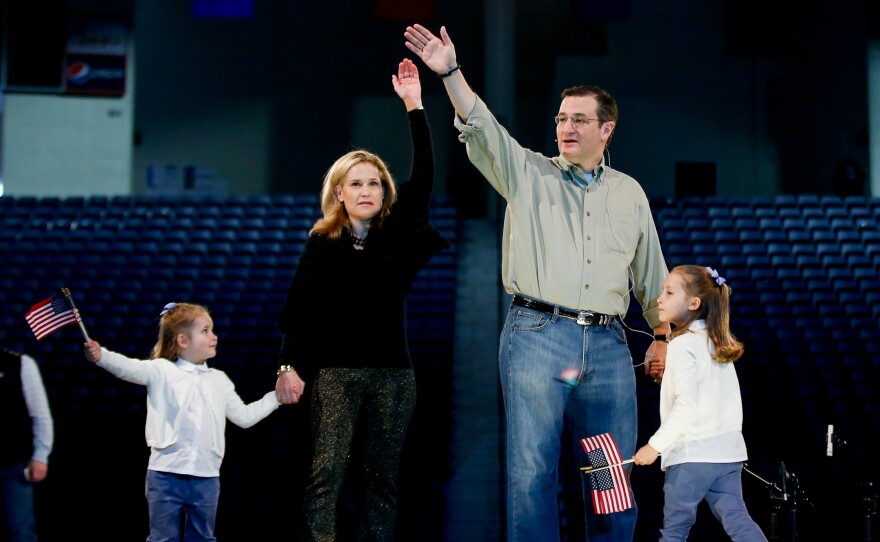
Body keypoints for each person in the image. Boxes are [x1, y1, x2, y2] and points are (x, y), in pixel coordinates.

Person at [403, 24, 670, 541]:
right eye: (561, 119)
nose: (566, 128)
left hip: (611, 344)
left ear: (606, 128)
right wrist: (451, 73)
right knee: (532, 473)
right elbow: (481, 127)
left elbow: (652, 275)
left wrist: (662, 336)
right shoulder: (528, 173)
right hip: (537, 335)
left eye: (579, 120)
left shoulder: (629, 192)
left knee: (610, 476)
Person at [274, 58, 450, 542]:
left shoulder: (397, 233)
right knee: (325, 474)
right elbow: (298, 311)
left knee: (382, 479)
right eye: (357, 182)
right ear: (339, 192)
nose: (367, 189)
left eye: (375, 182)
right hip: (335, 373)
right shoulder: (320, 243)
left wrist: (415, 106)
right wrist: (288, 367)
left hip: (394, 374)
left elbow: (427, 171)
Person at [82, 302, 282, 541]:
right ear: (182, 340)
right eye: (205, 331)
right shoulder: (162, 371)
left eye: (212, 330)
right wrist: (101, 356)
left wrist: (275, 398)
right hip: (166, 474)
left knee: (202, 538)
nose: (214, 336)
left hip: (206, 477)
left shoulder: (219, 380)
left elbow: (244, 417)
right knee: (162, 538)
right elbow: (129, 368)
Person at [633, 265, 767, 541]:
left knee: (674, 531)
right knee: (739, 522)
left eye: (669, 292)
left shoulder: (682, 345)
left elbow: (687, 405)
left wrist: (654, 446)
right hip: (727, 454)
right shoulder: (716, 342)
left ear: (694, 303)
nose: (659, 298)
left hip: (692, 455)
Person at [0, 347, 53, 542]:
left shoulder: (20, 364)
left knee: (20, 533)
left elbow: (40, 415)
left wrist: (40, 455)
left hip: (13, 464)